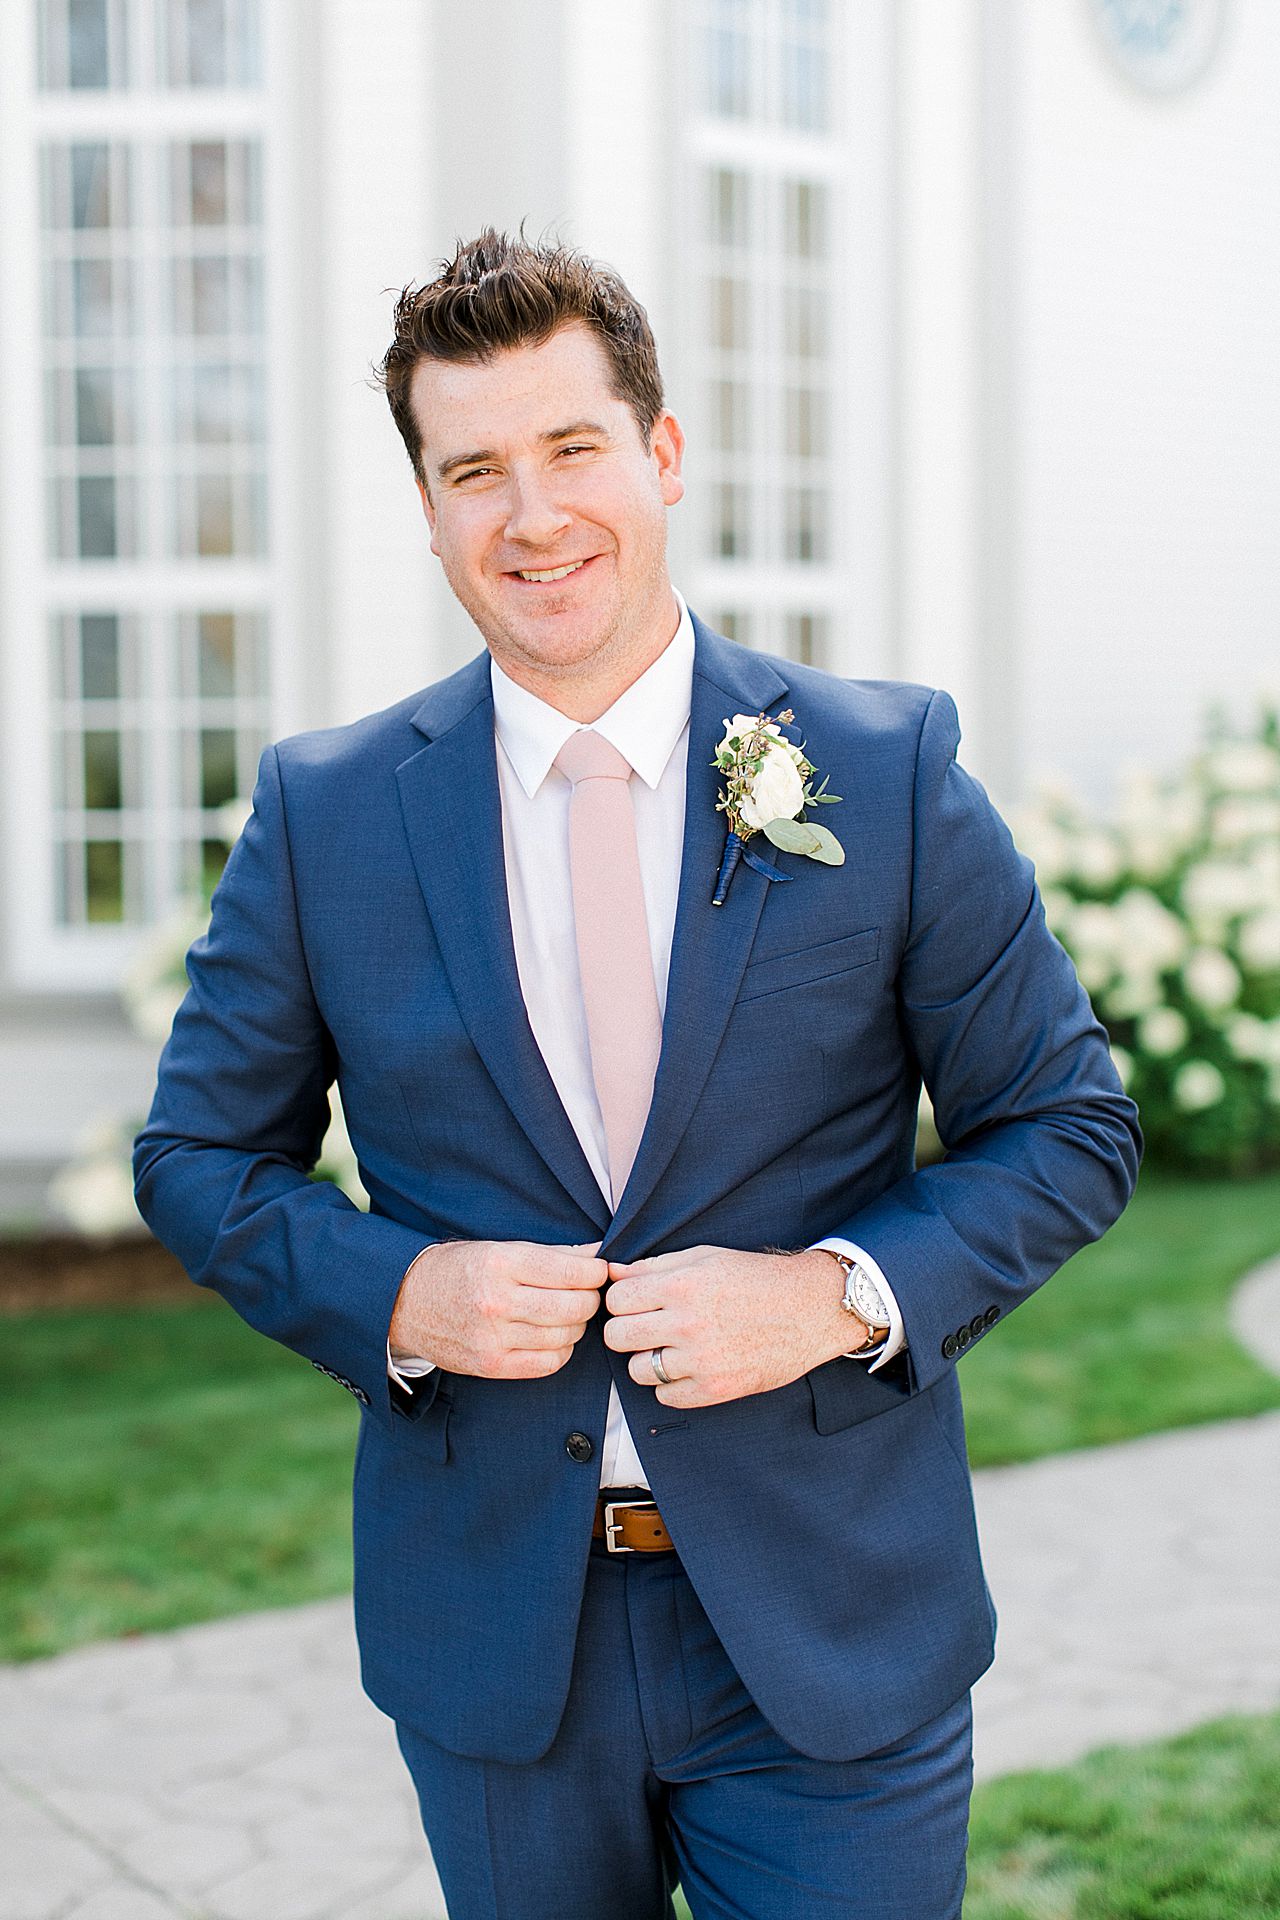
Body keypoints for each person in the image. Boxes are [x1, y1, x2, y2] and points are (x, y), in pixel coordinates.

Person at [134, 230, 1141, 1919]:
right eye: (475, 472)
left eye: (570, 449)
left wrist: (833, 1295)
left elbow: (1067, 1124)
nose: (530, 517)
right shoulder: (329, 817)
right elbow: (194, 1158)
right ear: (434, 509)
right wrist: (406, 1293)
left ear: (662, 456)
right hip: (499, 1652)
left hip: (832, 1628)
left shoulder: (879, 772)